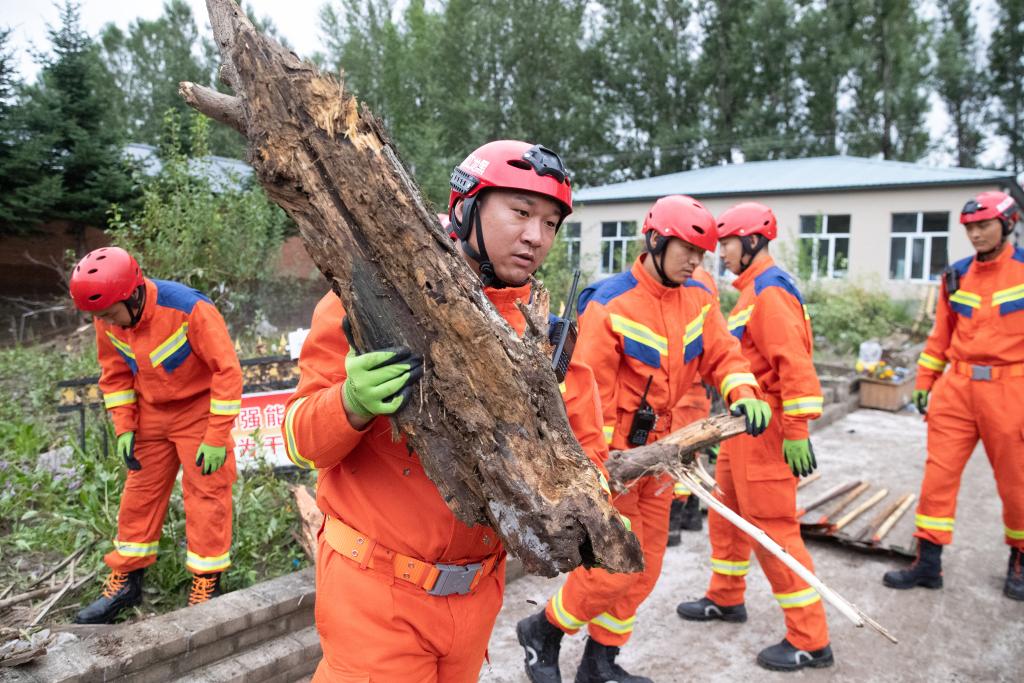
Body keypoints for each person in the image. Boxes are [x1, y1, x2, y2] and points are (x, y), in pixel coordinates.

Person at [283, 140, 613, 682]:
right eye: (522, 212)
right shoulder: (375, 299)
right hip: (374, 594)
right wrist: (349, 404)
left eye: (552, 223)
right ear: (465, 207)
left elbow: (590, 462)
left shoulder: (548, 338)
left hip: (476, 599)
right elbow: (299, 441)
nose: (536, 236)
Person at [517, 194, 771, 683]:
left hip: (664, 458)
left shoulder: (697, 297)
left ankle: (600, 663)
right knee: (614, 567)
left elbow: (724, 353)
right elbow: (589, 398)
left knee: (646, 568)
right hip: (616, 463)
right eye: (687, 250)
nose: (696, 262)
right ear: (655, 241)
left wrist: (743, 389)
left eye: (703, 253)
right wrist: (600, 471)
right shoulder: (612, 303)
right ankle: (543, 630)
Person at [677, 201, 833, 672]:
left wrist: (798, 429)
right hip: (744, 426)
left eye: (725, 243)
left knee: (774, 530)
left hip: (770, 431)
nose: (718, 252)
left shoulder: (769, 292)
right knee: (726, 516)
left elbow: (794, 363)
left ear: (751, 242)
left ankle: (811, 639)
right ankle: (726, 598)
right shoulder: (752, 291)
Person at [69, 247, 242, 623]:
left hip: (198, 413)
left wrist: (215, 436)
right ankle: (127, 582)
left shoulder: (187, 309)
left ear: (131, 295)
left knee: (206, 497)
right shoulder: (108, 318)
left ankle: (206, 584)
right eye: (98, 316)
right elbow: (114, 375)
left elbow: (227, 373)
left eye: (108, 313)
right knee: (138, 497)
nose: (105, 322)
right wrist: (124, 426)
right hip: (150, 415)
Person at [882, 190, 1024, 601]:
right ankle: (928, 562)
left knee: (1016, 482)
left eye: (984, 226)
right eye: (971, 228)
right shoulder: (955, 276)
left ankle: (1020, 560)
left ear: (1008, 224)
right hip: (956, 389)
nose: (976, 234)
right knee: (937, 478)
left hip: (1011, 389)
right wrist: (925, 383)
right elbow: (939, 337)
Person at [667, 265, 719, 546]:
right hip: (701, 390)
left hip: (686, 387)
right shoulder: (706, 278)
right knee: (695, 453)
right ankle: (691, 517)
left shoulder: (687, 280)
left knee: (679, 455)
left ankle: (672, 527)